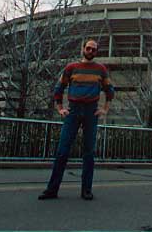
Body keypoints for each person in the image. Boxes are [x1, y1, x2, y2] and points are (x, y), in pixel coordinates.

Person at [38, 39, 115, 201]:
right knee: (62, 151)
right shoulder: (71, 68)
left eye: (94, 49)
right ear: (83, 49)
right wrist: (60, 109)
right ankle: (52, 189)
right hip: (73, 110)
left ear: (97, 52)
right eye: (88, 48)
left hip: (90, 111)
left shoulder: (101, 70)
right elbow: (59, 89)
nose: (91, 51)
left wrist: (104, 109)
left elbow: (110, 91)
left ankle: (86, 190)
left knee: (89, 152)